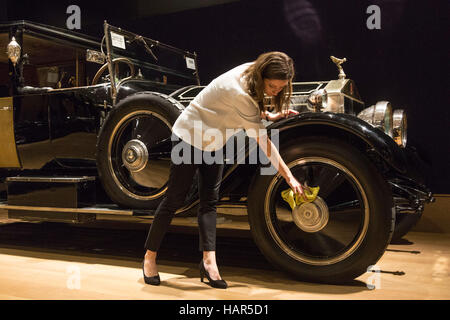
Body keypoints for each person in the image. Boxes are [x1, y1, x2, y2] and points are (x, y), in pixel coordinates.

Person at [142, 51, 306, 289]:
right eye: (272, 86)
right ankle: (149, 257)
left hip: (214, 139)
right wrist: (289, 177)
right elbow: (264, 144)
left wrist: (269, 115)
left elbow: (245, 110)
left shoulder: (254, 72)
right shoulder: (237, 91)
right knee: (174, 200)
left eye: (281, 88)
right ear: (262, 77)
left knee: (210, 202)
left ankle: (209, 262)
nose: (276, 92)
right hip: (189, 135)